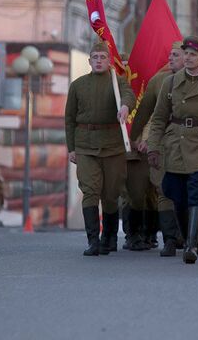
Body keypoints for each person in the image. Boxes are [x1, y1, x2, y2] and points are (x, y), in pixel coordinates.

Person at [146, 36, 198, 264]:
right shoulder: (170, 83)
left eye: (193, 55)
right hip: (175, 142)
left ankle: (191, 245)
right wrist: (153, 147)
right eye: (186, 54)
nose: (188, 58)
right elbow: (159, 118)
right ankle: (185, 236)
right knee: (175, 192)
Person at [65, 41, 136, 256]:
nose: (98, 61)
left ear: (109, 61)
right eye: (95, 57)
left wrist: (124, 107)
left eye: (102, 57)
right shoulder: (78, 85)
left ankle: (110, 237)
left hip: (112, 145)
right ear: (89, 61)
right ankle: (93, 240)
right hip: (85, 145)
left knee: (111, 194)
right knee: (90, 190)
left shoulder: (117, 82)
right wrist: (71, 147)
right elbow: (69, 119)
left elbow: (129, 96)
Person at [130, 41, 186, 256]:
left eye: (176, 55)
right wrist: (135, 136)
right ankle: (170, 239)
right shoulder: (158, 81)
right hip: (163, 143)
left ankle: (188, 236)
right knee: (163, 190)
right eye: (170, 54)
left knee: (186, 192)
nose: (170, 58)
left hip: (190, 146)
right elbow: (145, 113)